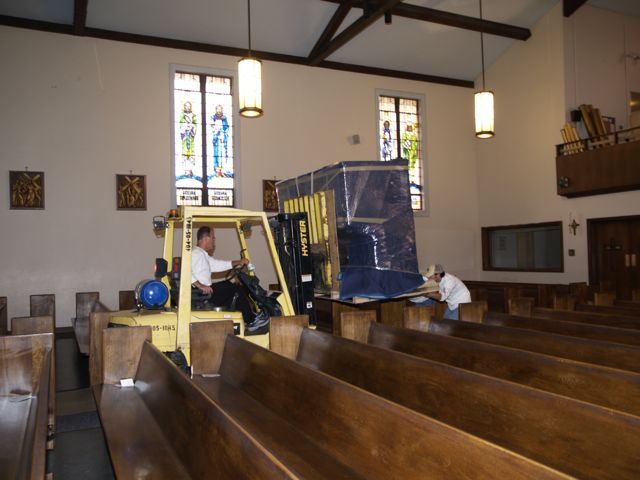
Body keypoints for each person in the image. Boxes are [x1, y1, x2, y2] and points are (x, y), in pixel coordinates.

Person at [191, 226, 269, 332]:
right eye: (213, 238)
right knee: (235, 290)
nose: (214, 241)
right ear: (206, 238)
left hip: (205, 291)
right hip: (202, 293)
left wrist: (239, 262)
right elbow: (186, 270)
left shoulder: (201, 254)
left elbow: (217, 265)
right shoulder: (195, 254)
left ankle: (251, 315)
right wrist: (200, 286)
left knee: (229, 284)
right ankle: (251, 321)